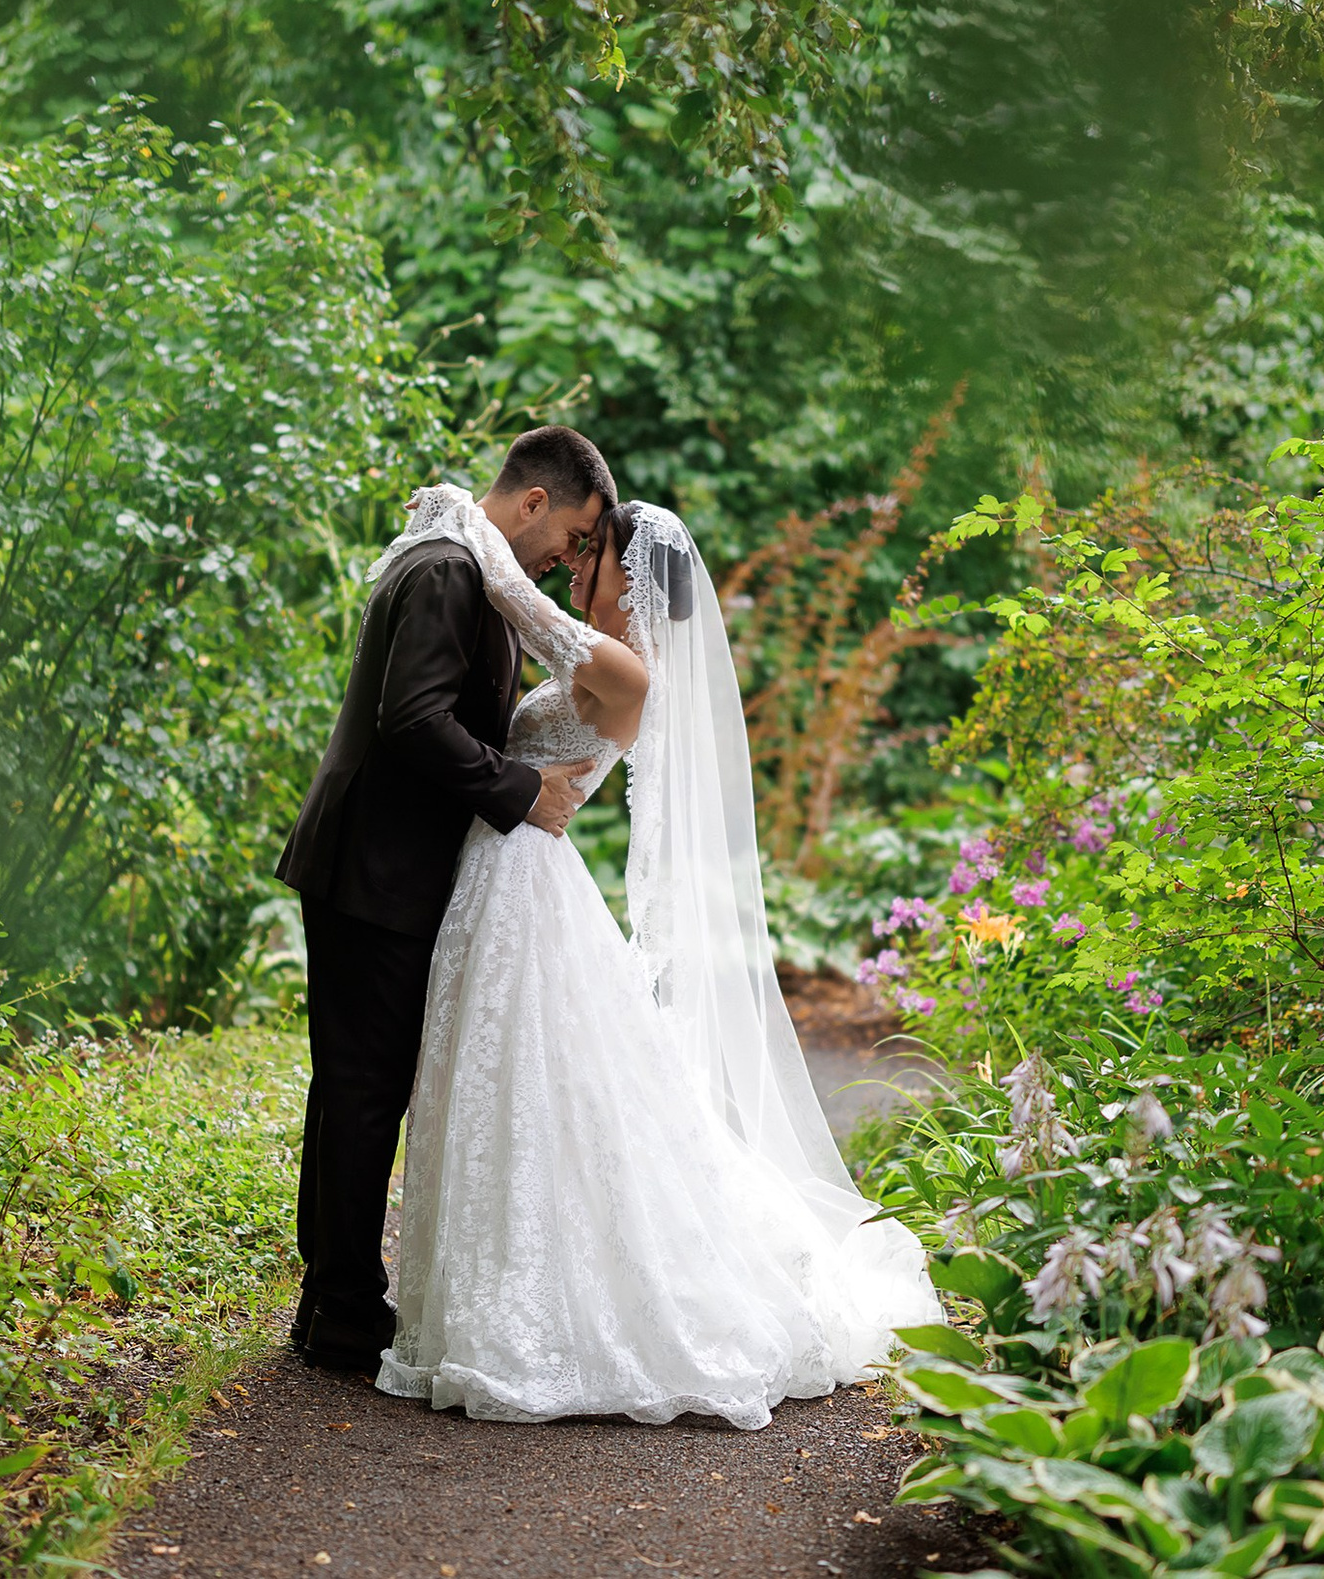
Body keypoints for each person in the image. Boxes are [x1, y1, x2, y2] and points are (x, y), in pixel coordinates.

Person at [375, 486, 942, 1427]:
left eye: (591, 550)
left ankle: (527, 1310)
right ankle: (479, 1292)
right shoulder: (607, 656)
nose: (577, 559)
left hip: (526, 875)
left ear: (627, 580)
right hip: (505, 869)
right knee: (495, 1081)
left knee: (523, 1080)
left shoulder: (628, 671)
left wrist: (459, 513)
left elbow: (518, 598)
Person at [273, 425, 612, 1374]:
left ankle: (330, 1302)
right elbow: (412, 717)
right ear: (535, 500)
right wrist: (520, 792)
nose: (567, 560)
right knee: (362, 1089)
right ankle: (342, 1312)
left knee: (356, 1088)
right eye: (573, 536)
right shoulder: (451, 571)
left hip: (384, 866)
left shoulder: (467, 564)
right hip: (371, 867)